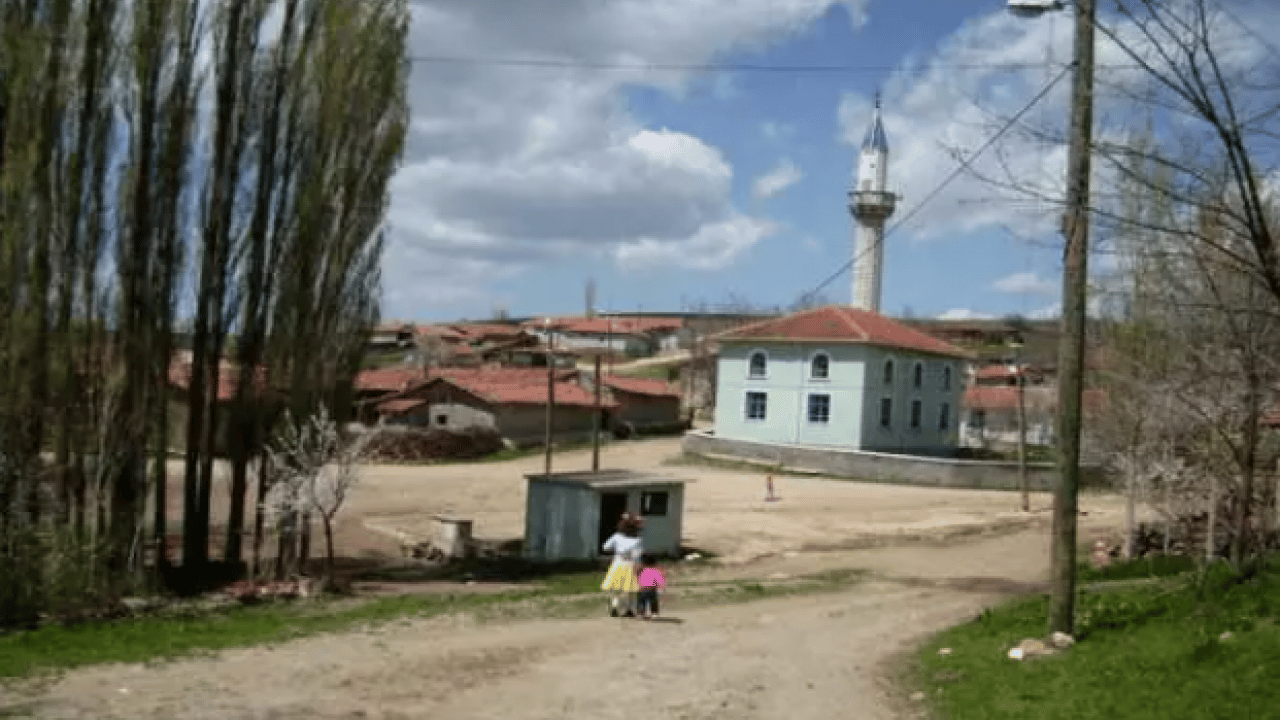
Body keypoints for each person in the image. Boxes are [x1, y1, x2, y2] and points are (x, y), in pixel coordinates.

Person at [601, 512, 643, 617]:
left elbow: (605, 547)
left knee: (616, 587)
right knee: (631, 589)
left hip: (618, 564)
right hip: (631, 565)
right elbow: (637, 555)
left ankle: (614, 606)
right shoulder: (638, 540)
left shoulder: (617, 537)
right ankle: (630, 609)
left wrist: (615, 549)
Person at [636, 554, 667, 620]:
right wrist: (661, 587)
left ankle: (641, 613)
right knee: (653, 601)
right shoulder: (656, 568)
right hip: (652, 588)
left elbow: (637, 574)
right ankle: (654, 613)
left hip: (642, 588)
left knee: (642, 601)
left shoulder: (641, 567)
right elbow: (660, 578)